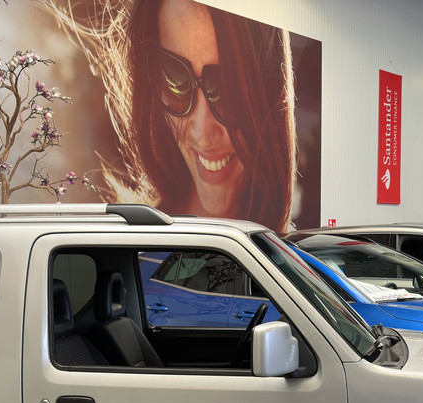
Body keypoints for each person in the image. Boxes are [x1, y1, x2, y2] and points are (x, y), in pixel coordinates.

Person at [38, 0, 298, 232]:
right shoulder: (132, 250)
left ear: (271, 90)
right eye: (174, 77)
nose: (202, 134)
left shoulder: (297, 264)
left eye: (229, 89)